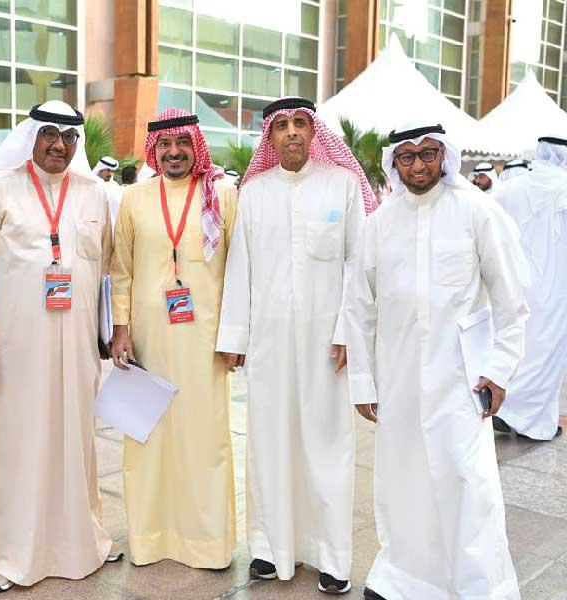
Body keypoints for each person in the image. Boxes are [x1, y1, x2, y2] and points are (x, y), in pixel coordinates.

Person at [342, 122, 529, 600]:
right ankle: (403, 579)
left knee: (467, 483)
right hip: (398, 377)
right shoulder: (380, 223)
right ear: (395, 163)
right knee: (402, 481)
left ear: (444, 155)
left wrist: (499, 371)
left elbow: (511, 303)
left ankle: (481, 587)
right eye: (407, 157)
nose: (419, 165)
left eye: (428, 154)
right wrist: (363, 382)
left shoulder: (475, 212)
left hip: (461, 379)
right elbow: (358, 307)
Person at [0, 101, 117, 593]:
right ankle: (7, 554)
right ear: (32, 137)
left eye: (68, 137)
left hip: (76, 350)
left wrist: (109, 335)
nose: (58, 145)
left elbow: (107, 273)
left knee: (74, 445)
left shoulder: (94, 194)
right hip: (11, 351)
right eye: (49, 134)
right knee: (12, 447)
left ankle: (80, 542)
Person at [216, 97, 377, 593]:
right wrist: (235, 337)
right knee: (269, 442)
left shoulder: (342, 185)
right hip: (268, 342)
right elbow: (239, 268)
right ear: (270, 136)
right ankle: (269, 549)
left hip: (327, 345)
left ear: (313, 131)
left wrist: (347, 331)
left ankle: (332, 557)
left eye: (300, 123)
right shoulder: (254, 192)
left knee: (327, 445)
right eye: (281, 125)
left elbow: (358, 265)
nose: (291, 132)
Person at [109, 108, 238, 569]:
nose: (174, 152)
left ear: (195, 145)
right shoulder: (134, 198)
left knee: (204, 439)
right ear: (153, 150)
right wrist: (120, 329)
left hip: (206, 342)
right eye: (164, 144)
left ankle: (206, 543)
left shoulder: (221, 194)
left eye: (182, 142)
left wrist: (236, 335)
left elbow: (239, 272)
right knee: (148, 438)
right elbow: (120, 269)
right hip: (148, 340)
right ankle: (150, 539)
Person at [493, 136, 567, 441]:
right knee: (547, 353)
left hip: (517, 281)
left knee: (518, 347)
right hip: (556, 286)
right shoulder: (564, 188)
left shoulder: (511, 188)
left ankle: (513, 407)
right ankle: (526, 418)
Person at [93, 155, 124, 227]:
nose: (110, 174)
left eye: (112, 171)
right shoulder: (91, 184)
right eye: (108, 170)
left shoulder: (115, 186)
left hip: (112, 227)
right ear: (100, 169)